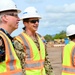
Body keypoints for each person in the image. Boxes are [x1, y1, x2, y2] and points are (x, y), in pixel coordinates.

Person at [14, 6, 54, 75]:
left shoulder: (41, 39)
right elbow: (20, 66)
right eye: (33, 21)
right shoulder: (19, 40)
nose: (36, 23)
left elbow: (46, 61)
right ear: (25, 23)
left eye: (37, 21)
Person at [0, 0, 23, 74]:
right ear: (5, 17)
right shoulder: (1, 39)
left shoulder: (6, 38)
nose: (19, 19)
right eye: (15, 15)